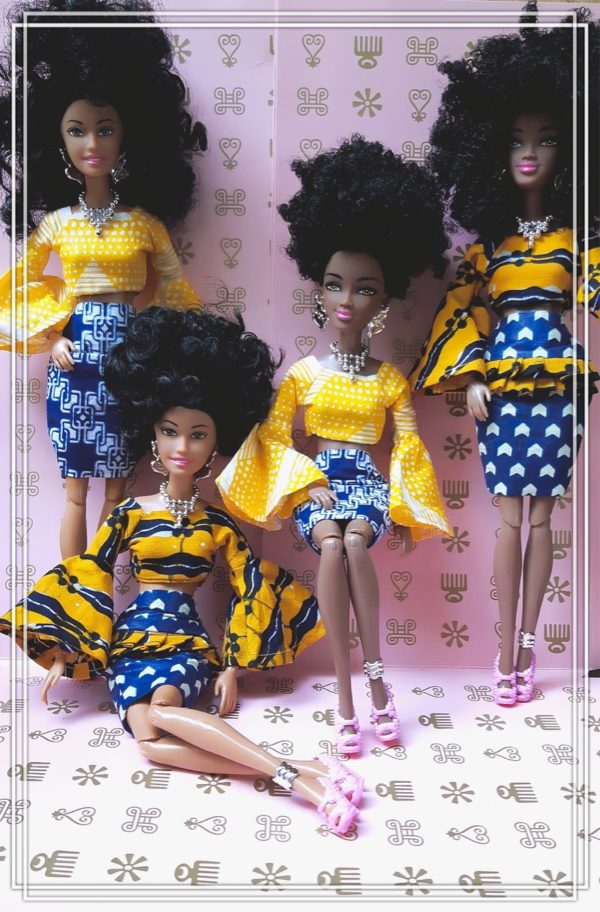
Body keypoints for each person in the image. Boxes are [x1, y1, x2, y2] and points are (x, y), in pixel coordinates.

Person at [0, 306, 362, 836]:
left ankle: (298, 780)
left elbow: (251, 586)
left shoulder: (217, 523)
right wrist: (64, 647)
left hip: (186, 643)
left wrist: (232, 665)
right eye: (170, 431)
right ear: (152, 434)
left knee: (163, 713)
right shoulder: (130, 513)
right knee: (147, 740)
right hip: (130, 643)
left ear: (216, 444)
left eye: (198, 434)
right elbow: (90, 572)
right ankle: (304, 770)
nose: (182, 447)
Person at [217, 135, 451, 755]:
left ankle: (375, 680)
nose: (347, 300)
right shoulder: (302, 375)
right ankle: (346, 694)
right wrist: (306, 480)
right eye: (335, 285)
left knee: (352, 543)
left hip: (366, 485)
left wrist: (406, 511)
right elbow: (274, 436)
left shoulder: (391, 381)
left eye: (364, 288)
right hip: (318, 483)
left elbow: (408, 450)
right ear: (319, 292)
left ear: (383, 300)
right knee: (329, 542)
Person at [410, 1, 600, 704]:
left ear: (571, 150)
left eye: (546, 140)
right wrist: (470, 376)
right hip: (502, 390)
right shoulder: (487, 250)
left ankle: (527, 646)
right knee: (507, 516)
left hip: (556, 386)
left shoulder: (575, 242)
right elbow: (460, 312)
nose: (529, 153)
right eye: (516, 140)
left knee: (542, 514)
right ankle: (500, 647)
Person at [0, 0, 206, 557]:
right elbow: (14, 290)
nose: (92, 145)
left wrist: (185, 354)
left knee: (117, 490)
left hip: (129, 363)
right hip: (74, 365)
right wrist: (51, 336)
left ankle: (103, 593)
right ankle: (71, 595)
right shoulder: (55, 224)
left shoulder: (144, 224)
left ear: (126, 136)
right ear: (58, 142)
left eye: (105, 129)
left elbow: (177, 294)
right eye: (77, 131)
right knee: (75, 491)